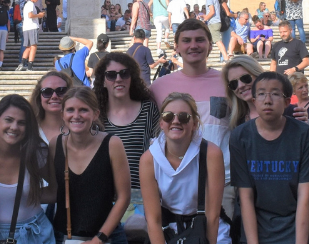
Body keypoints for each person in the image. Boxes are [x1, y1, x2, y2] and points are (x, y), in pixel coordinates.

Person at [150, 19, 234, 222]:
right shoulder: (159, 87)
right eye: (186, 40)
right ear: (176, 46)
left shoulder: (229, 82)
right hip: (174, 185)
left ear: (210, 45)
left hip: (223, 182)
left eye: (199, 40)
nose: (193, 45)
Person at [230, 72, 309, 244]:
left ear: (287, 102)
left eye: (275, 94)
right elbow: (245, 196)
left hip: (295, 226)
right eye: (261, 93)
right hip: (257, 225)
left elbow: (305, 195)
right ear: (254, 100)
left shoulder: (304, 134)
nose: (268, 100)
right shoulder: (240, 136)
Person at [139, 92, 227, 244]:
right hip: (168, 227)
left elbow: (213, 215)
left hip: (206, 224)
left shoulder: (211, 154)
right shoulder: (149, 159)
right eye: (168, 116)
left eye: (183, 117)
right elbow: (153, 219)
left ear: (194, 123)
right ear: (161, 123)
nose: (175, 121)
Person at [50, 88, 131, 244]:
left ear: (96, 114)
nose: (76, 115)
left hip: (108, 236)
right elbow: (52, 190)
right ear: (62, 115)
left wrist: (99, 239)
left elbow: (123, 197)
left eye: (83, 110)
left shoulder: (112, 144)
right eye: (70, 110)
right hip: (65, 236)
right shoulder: (55, 144)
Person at [0, 95, 55, 244]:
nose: (14, 127)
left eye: (21, 123)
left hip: (36, 232)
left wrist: (27, 195)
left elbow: (55, 192)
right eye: (8, 120)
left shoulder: (36, 151)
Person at [92, 52, 160, 193]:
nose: (118, 79)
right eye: (111, 75)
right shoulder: (95, 115)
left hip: (143, 194)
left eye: (124, 73)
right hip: (106, 194)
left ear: (131, 77)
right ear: (103, 81)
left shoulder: (148, 109)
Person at [31, 71, 74, 143]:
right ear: (39, 97)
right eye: (47, 91)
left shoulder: (81, 128)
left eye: (61, 91)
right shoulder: (29, 130)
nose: (54, 96)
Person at [222, 55, 264, 130]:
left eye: (245, 78)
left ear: (258, 75)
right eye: (233, 84)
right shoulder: (237, 124)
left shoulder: (286, 112)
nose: (240, 86)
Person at [19, 0, 45, 71]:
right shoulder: (30, 4)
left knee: (28, 47)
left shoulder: (27, 4)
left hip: (26, 27)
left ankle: (22, 63)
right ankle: (30, 66)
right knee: (33, 46)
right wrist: (39, 15)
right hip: (32, 27)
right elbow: (30, 15)